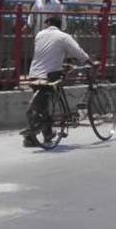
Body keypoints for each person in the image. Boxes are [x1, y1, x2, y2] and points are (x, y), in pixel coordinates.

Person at [21, 16, 93, 147]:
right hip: (50, 76)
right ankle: (36, 134)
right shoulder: (63, 36)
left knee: (42, 105)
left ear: (48, 24)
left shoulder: (39, 35)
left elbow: (47, 53)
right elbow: (78, 52)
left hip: (34, 75)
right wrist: (89, 62)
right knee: (46, 104)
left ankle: (42, 135)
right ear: (60, 25)